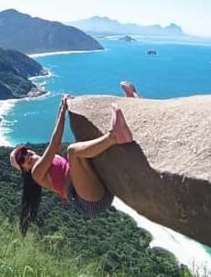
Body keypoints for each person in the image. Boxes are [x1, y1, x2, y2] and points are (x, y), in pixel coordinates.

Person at [10, 81, 140, 233]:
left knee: (85, 145)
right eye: (22, 159)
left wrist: (64, 110)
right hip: (87, 201)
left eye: (25, 151)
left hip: (93, 188)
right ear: (24, 169)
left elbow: (58, 146)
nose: (26, 156)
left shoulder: (52, 160)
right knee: (73, 151)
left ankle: (131, 105)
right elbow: (55, 143)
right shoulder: (36, 173)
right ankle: (114, 136)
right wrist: (62, 111)